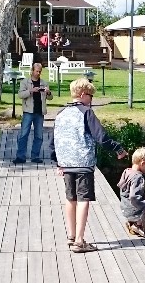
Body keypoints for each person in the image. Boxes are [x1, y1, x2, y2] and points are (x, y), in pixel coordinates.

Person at [49, 78, 127, 253]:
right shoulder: (86, 113)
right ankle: (79, 241)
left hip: (66, 163)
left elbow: (54, 141)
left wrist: (57, 162)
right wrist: (118, 149)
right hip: (83, 163)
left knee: (71, 198)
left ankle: (71, 235)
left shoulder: (61, 113)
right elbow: (101, 137)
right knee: (84, 199)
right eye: (90, 96)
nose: (91, 100)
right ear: (83, 94)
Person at [13, 63, 52, 164]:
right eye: (36, 71)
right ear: (32, 71)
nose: (38, 73)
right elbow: (20, 95)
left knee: (39, 135)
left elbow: (50, 98)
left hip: (40, 112)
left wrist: (48, 92)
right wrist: (30, 91)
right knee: (24, 134)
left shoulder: (44, 83)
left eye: (40, 71)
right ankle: (20, 156)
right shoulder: (25, 82)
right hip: (28, 112)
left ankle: (35, 156)